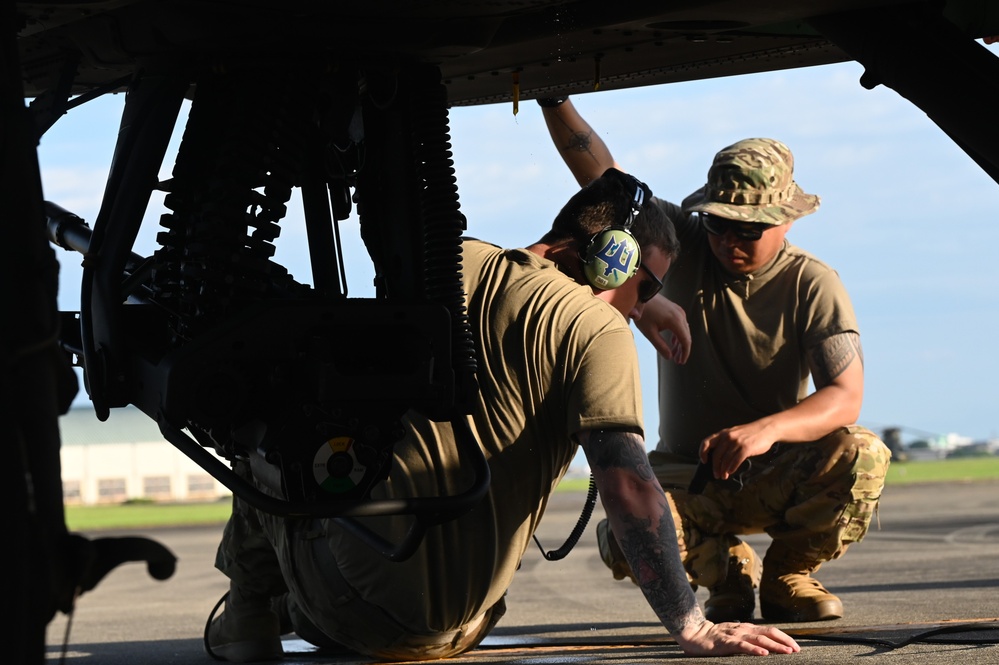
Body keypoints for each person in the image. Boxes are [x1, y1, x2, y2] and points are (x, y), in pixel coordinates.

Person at [205, 168, 801, 662]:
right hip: (461, 628)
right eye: (646, 291)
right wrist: (691, 624)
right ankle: (294, 602)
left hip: (352, 602)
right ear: (613, 259)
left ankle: (251, 616)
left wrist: (641, 304)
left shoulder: (447, 266)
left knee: (272, 429)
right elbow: (627, 487)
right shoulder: (596, 332)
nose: (641, 309)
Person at [539, 96, 891, 624]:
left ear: (786, 222)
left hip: (770, 471)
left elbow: (845, 395)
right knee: (624, 532)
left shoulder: (812, 283)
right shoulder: (684, 243)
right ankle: (727, 573)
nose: (728, 240)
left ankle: (787, 576)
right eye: (718, 223)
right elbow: (605, 180)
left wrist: (762, 432)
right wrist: (554, 97)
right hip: (687, 479)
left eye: (748, 229)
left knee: (862, 452)